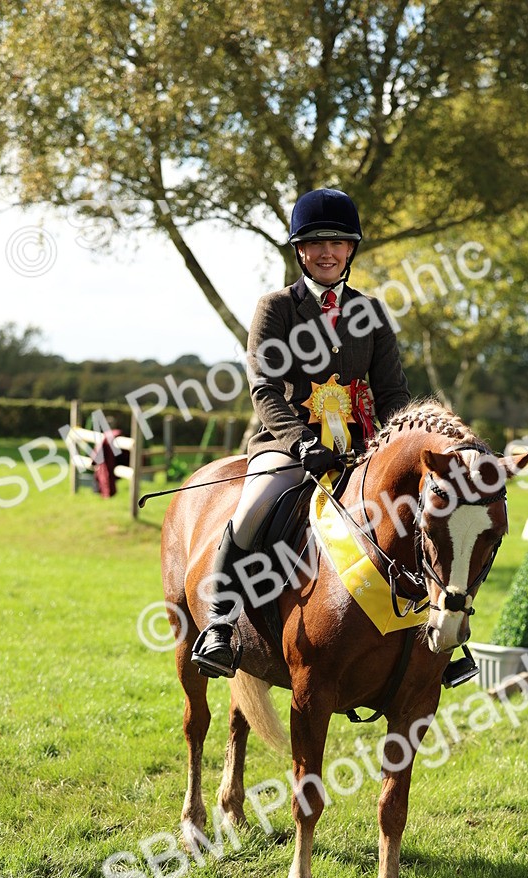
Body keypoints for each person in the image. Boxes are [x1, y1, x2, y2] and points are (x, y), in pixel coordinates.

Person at [192, 187, 411, 678]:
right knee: (253, 510)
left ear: (351, 249)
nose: (327, 252)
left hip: (360, 450)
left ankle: (434, 643)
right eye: (315, 242)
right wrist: (300, 442)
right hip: (289, 448)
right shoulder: (276, 309)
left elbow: (393, 391)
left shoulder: (371, 313)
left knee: (418, 515)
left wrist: (392, 442)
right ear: (299, 250)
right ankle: (219, 624)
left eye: (337, 242)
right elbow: (265, 388)